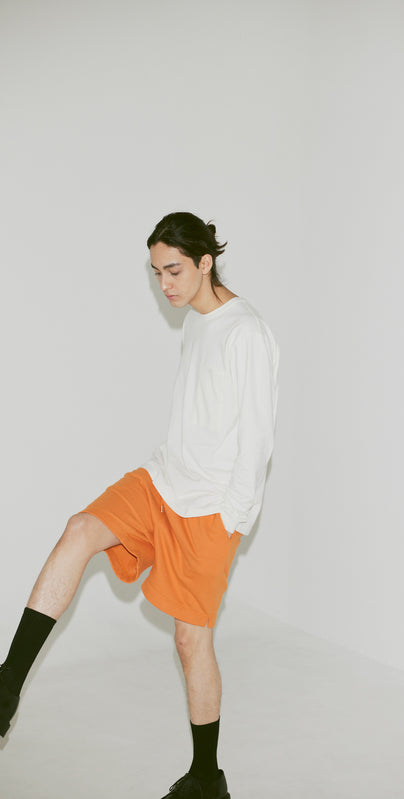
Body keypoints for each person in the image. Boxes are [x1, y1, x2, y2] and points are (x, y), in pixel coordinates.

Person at [0, 211, 280, 799]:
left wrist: (231, 520)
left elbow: (256, 441)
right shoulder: (197, 322)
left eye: (173, 270)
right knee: (80, 528)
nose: (164, 284)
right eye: (156, 273)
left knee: (190, 642)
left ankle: (207, 778)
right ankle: (6, 688)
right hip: (161, 481)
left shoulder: (247, 332)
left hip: (210, 510)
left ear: (205, 262)